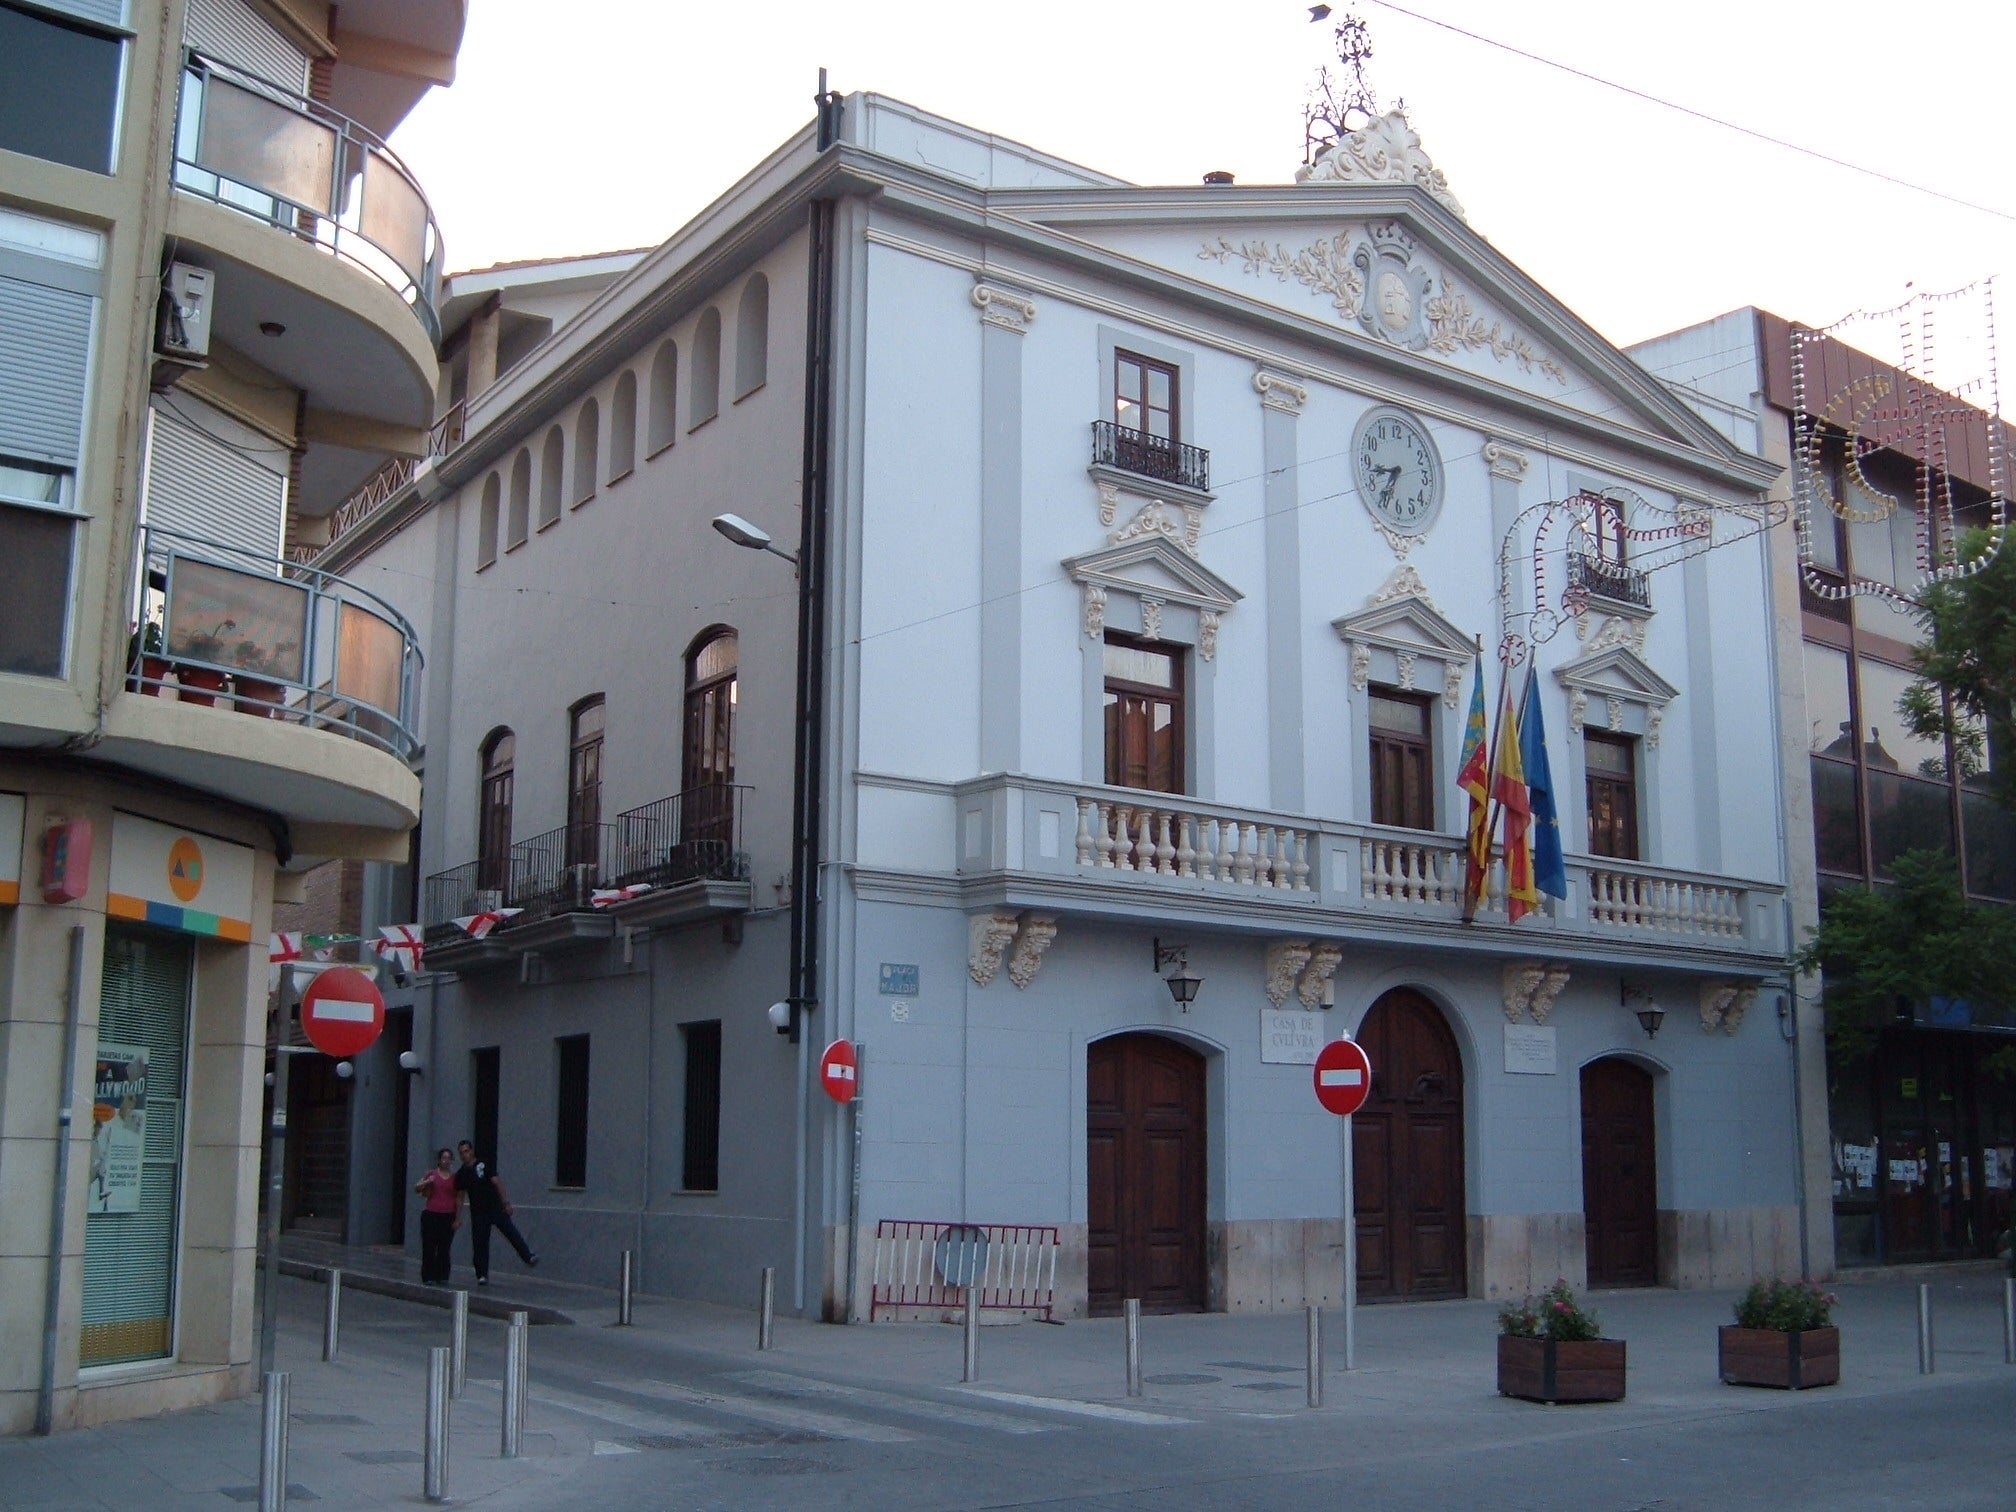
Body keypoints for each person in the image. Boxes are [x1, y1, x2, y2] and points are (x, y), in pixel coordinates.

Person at [454, 1139, 538, 1285]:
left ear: (472, 1151)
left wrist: (506, 1202)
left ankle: (528, 1255)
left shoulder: (484, 1164)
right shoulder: (461, 1174)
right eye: (461, 1153)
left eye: (466, 1151)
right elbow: (460, 1197)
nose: (464, 1155)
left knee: (511, 1232)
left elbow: (496, 1182)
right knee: (480, 1243)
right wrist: (457, 1217)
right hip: (478, 1212)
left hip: (495, 1207)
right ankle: (482, 1274)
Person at [413, 1147, 462, 1284]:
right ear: (439, 1160)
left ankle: (442, 1275)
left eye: (448, 1158)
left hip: (448, 1215)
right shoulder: (432, 1174)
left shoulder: (454, 1178)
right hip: (431, 1214)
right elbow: (417, 1188)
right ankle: (428, 1275)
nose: (446, 1161)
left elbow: (458, 1198)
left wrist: (458, 1218)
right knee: (429, 1246)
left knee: (444, 1247)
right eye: (443, 1158)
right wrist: (428, 1182)